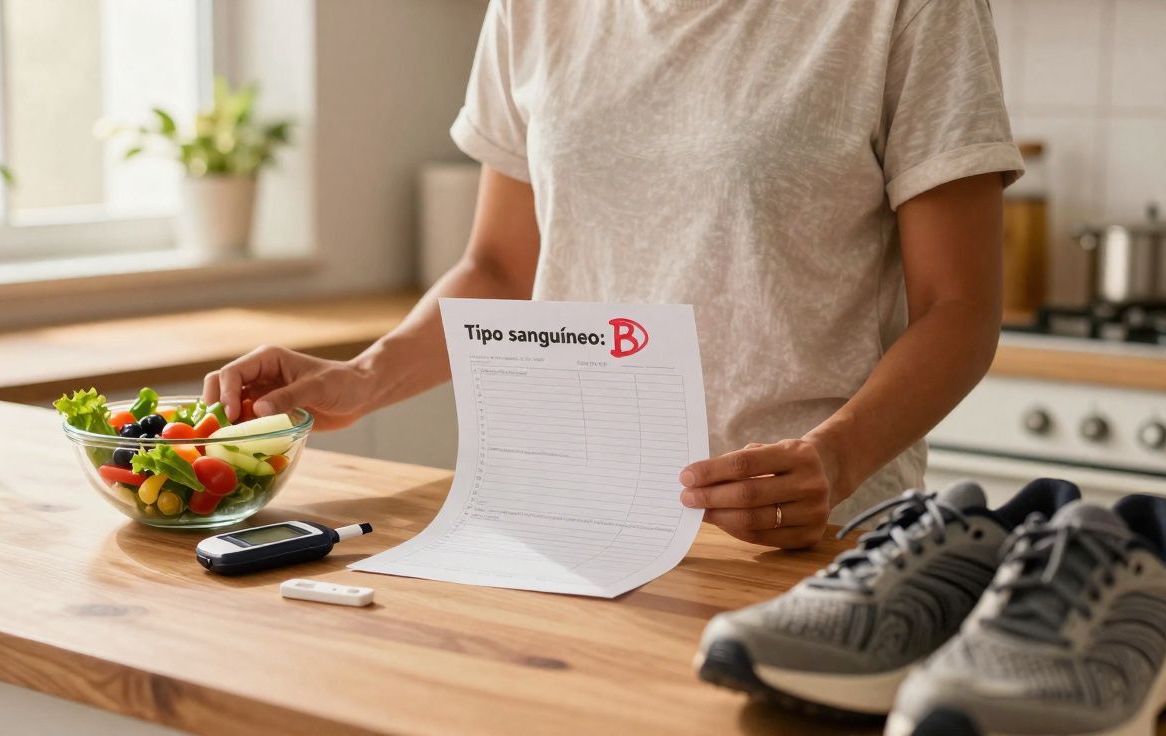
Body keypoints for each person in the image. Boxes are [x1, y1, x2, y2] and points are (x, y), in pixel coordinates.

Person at [203, 0, 1021, 549]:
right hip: (569, 523)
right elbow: (500, 266)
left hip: (807, 536)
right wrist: (361, 377)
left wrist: (834, 459)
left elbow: (959, 308)